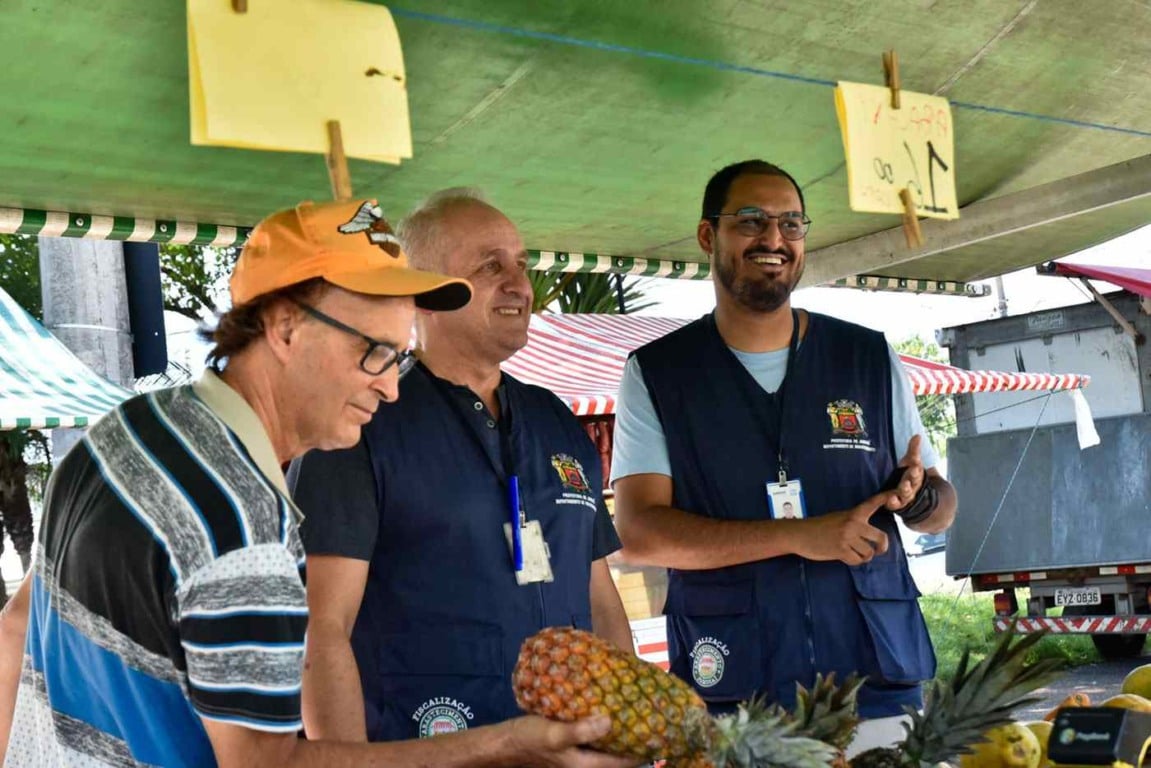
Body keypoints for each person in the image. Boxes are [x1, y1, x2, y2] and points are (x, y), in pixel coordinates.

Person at [0, 199, 636, 768]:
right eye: (375, 353)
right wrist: (503, 745)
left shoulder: (122, 433)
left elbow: (13, 633)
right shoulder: (240, 519)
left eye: (399, 356)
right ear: (284, 328)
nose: (390, 386)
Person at [610, 160, 958, 752]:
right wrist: (799, 535)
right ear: (707, 237)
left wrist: (918, 496)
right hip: (737, 696)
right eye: (751, 221)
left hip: (873, 683)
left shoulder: (867, 357)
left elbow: (939, 506)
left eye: (791, 224)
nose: (774, 239)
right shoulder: (659, 373)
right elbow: (640, 533)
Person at [289, 189, 633, 744]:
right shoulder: (357, 426)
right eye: (490, 266)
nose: (520, 284)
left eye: (520, 265)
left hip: (570, 750)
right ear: (425, 294)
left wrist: (628, 737)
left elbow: (600, 598)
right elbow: (321, 632)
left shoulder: (554, 420)